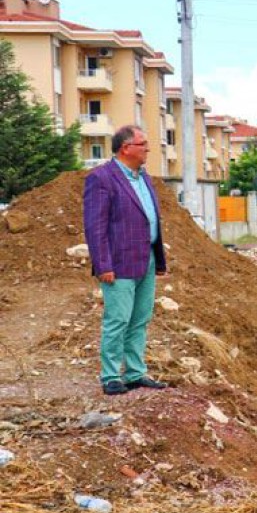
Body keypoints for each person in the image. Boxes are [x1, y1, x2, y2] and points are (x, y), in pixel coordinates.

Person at [82, 125, 170, 396]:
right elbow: (95, 226)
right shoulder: (102, 179)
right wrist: (103, 264)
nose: (148, 149)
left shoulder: (144, 178)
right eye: (143, 144)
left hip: (146, 260)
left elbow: (149, 218)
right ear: (126, 148)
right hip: (118, 264)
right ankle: (110, 376)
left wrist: (158, 259)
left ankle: (134, 373)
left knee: (140, 320)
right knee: (117, 319)